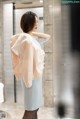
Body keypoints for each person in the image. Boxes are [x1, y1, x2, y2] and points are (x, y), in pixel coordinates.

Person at [10, 11, 50, 119]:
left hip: (35, 79)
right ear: (28, 22)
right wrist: (28, 84)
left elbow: (47, 37)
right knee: (31, 110)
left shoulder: (29, 38)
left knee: (35, 109)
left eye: (37, 21)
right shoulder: (27, 41)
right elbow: (27, 64)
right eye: (34, 22)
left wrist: (31, 32)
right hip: (30, 80)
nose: (37, 24)